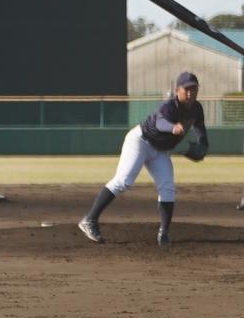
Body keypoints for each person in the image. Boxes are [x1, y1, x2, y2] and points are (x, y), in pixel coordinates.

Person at [77, 71, 207, 247]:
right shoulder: (169, 107)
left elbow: (200, 129)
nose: (191, 92)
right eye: (187, 89)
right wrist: (172, 127)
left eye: (194, 89)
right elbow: (161, 122)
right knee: (124, 180)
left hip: (160, 150)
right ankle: (89, 220)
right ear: (178, 90)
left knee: (167, 187)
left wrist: (203, 145)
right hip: (140, 141)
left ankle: (164, 234)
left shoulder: (197, 109)